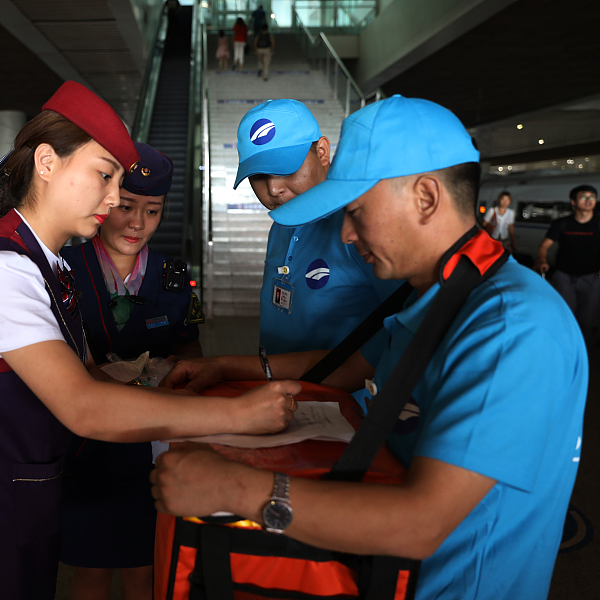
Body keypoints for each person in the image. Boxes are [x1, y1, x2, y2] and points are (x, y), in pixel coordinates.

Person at [154, 96, 586, 600]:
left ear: (425, 197)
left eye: (356, 211)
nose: (345, 233)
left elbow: (421, 523)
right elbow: (342, 369)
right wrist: (226, 370)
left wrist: (234, 488)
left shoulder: (512, 328)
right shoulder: (430, 297)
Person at [0, 81, 301, 600]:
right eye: (104, 175)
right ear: (47, 163)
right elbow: (83, 405)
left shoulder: (50, 267)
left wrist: (180, 403)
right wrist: (238, 415)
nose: (113, 200)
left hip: (18, 506)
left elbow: (91, 374)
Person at [174, 100, 401, 401]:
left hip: (350, 411)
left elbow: (402, 334)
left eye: (287, 168)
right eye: (259, 176)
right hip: (287, 401)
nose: (273, 189)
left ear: (322, 152)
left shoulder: (360, 226)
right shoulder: (282, 224)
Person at [59, 143, 202, 600]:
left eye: (152, 210)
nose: (137, 223)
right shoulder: (62, 270)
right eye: (125, 206)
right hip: (84, 448)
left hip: (151, 450)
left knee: (147, 569)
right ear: (103, 202)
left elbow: (191, 350)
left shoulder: (175, 277)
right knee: (90, 572)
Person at [536, 184, 600, 340]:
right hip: (564, 277)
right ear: (573, 202)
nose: (589, 200)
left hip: (591, 277)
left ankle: (583, 347)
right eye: (583, 197)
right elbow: (544, 246)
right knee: (565, 314)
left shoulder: (598, 223)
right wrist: (542, 260)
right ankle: (565, 344)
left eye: (592, 197)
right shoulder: (562, 223)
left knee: (587, 318)